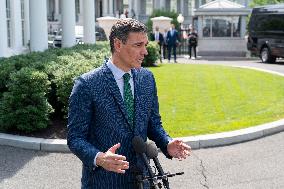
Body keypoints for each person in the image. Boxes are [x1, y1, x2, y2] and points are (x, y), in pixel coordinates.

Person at [67, 19, 191, 189]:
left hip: (144, 180)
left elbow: (153, 123)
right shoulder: (87, 84)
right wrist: (100, 158)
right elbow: (75, 138)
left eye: (145, 45)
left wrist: (167, 143)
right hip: (104, 182)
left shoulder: (147, 78)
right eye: (138, 45)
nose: (145, 52)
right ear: (118, 44)